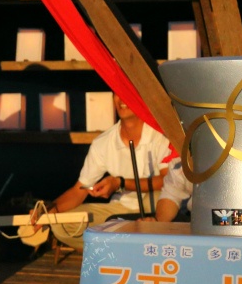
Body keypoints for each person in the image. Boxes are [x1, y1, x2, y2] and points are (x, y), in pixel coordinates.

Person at [33, 95, 171, 249]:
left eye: (125, 92)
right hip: (121, 209)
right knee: (61, 225)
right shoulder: (103, 142)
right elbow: (79, 190)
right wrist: (50, 209)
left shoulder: (160, 134)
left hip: (156, 207)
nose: (121, 99)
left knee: (159, 198)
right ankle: (120, 246)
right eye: (117, 93)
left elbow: (168, 180)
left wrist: (120, 183)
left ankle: (125, 245)